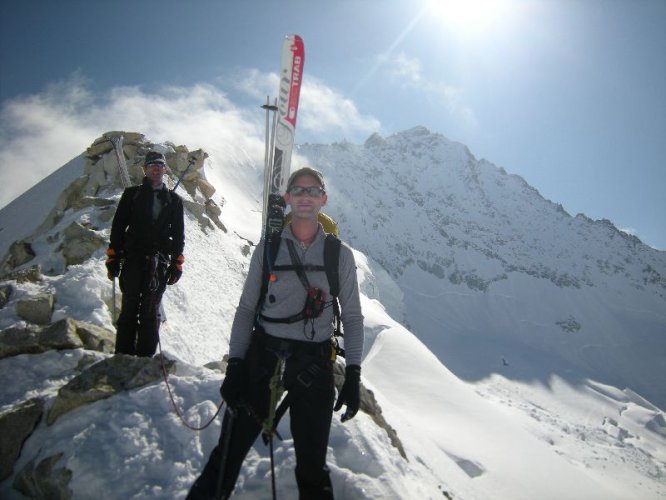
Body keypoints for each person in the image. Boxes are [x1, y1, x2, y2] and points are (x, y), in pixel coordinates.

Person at [188, 167, 364, 499]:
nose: (306, 197)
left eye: (313, 191)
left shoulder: (339, 255)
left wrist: (353, 373)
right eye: (298, 190)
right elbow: (245, 310)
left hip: (314, 361)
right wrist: (236, 363)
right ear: (287, 199)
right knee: (227, 455)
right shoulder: (267, 249)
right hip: (262, 356)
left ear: (323, 199)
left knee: (312, 468)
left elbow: (353, 317)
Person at [105, 151, 185, 357]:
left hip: (158, 262)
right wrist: (113, 256)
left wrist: (177, 263)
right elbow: (118, 227)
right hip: (132, 257)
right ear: (145, 169)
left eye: (160, 165)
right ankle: (123, 355)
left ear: (165, 169)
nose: (156, 168)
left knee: (150, 310)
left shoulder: (174, 200)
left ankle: (144, 358)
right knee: (130, 306)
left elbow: (178, 235)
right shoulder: (132, 194)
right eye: (152, 165)